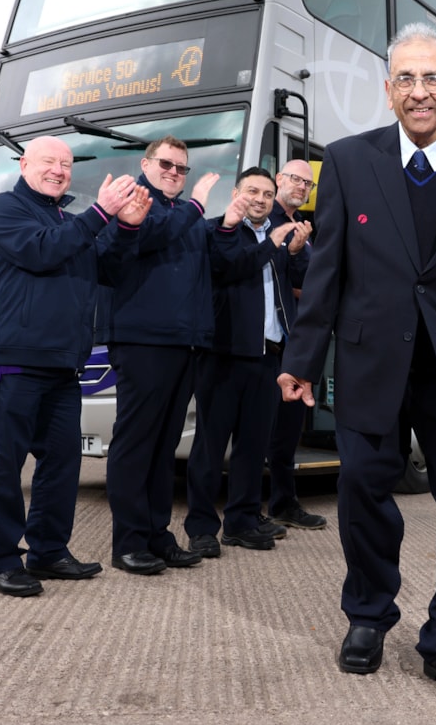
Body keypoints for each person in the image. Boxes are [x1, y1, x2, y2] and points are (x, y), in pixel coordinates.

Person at [277, 23, 436, 705]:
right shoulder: (348, 164)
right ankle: (368, 613)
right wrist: (302, 358)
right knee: (362, 491)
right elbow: (326, 274)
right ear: (388, 90)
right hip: (370, 362)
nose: (420, 91)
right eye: (407, 79)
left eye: (433, 79)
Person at [0, 136, 149, 597]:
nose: (59, 170)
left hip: (63, 365)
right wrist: (101, 213)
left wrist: (127, 228)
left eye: (67, 164)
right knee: (5, 463)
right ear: (24, 163)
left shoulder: (70, 222)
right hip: (13, 359)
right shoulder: (3, 210)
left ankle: (49, 552)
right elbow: (41, 251)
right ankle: (3, 560)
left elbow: (108, 271)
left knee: (61, 463)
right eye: (49, 161)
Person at [96, 137, 220, 576]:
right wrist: (198, 205)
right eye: (166, 164)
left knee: (165, 447)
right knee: (135, 444)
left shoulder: (183, 216)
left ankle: (156, 535)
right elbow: (148, 239)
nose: (174, 172)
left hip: (184, 343)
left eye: (182, 169)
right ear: (146, 165)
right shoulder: (134, 205)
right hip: (144, 341)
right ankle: (127, 542)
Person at [184, 167, 310, 556]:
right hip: (223, 357)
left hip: (269, 358)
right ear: (237, 193)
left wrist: (293, 252)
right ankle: (202, 527)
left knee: (254, 448)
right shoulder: (215, 231)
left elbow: (302, 283)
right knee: (210, 447)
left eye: (268, 194)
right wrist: (273, 245)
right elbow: (228, 268)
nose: (260, 199)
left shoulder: (277, 239)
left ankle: (240, 521)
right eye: (252, 191)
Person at [264, 159, 328, 531]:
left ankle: (284, 503)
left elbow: (312, 284)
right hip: (267, 343)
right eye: (295, 179)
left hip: (296, 343)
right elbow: (279, 280)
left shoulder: (304, 228)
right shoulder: (264, 219)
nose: (302, 187)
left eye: (308, 183)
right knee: (260, 428)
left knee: (288, 430)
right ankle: (249, 510)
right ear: (278, 179)